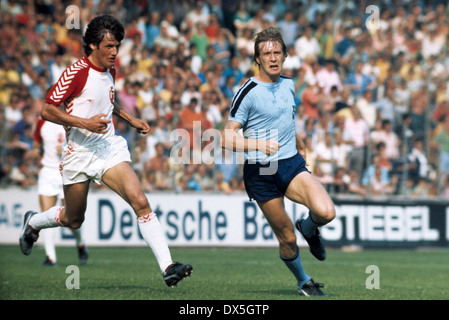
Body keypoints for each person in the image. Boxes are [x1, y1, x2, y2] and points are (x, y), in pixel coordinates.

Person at [19, 15, 192, 287]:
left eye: (117, 46)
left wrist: (130, 118)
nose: (114, 52)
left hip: (107, 147)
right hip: (78, 152)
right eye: (109, 46)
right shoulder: (76, 72)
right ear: (92, 46)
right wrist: (84, 122)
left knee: (140, 201)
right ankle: (34, 223)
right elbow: (47, 109)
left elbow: (108, 100)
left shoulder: (111, 70)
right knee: (73, 219)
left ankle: (168, 267)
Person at [222, 26, 335, 296]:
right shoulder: (247, 91)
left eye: (277, 52)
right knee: (286, 237)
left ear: (284, 56)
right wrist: (258, 144)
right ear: (257, 59)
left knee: (326, 212)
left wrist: (298, 141)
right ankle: (303, 281)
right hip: (261, 171)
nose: (272, 58)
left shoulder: (289, 84)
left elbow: (284, 118)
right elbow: (226, 138)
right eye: (266, 53)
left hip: (290, 163)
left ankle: (309, 227)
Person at [32, 117, 89, 266]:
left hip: (67, 171)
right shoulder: (41, 122)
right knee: (45, 215)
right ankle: (51, 257)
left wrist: (65, 147)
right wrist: (36, 153)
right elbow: (36, 144)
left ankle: (80, 243)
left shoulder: (70, 118)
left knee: (71, 219)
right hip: (47, 172)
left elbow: (82, 144)